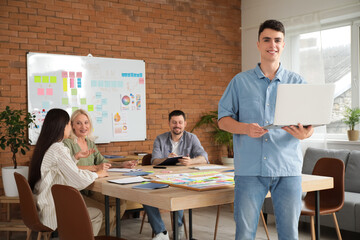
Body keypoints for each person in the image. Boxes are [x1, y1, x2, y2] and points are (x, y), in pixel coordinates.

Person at [218, 20, 314, 240]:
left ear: (283, 44)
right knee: (244, 234)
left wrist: (304, 134)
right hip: (250, 170)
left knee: (289, 234)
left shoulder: (298, 82)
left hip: (287, 169)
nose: (273, 44)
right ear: (258, 44)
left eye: (278, 40)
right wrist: (244, 128)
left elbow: (309, 127)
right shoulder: (239, 82)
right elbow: (222, 120)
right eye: (267, 39)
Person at [28, 108, 109, 236]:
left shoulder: (48, 146)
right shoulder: (58, 148)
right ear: (62, 126)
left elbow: (57, 169)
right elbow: (77, 179)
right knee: (99, 213)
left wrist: (75, 158)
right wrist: (97, 174)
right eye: (69, 124)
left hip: (44, 202)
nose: (70, 128)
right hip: (53, 209)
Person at [63, 109, 137, 235]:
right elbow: (69, 168)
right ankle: (93, 236)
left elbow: (103, 162)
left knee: (121, 203)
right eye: (79, 123)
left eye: (86, 122)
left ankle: (102, 234)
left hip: (92, 188)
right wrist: (95, 167)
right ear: (72, 125)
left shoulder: (90, 143)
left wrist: (122, 165)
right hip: (78, 190)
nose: (83, 126)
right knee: (108, 213)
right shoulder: (68, 143)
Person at [145, 110, 209, 240]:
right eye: (174, 122)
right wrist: (167, 158)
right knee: (145, 195)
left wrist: (191, 161)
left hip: (183, 179)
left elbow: (205, 158)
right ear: (169, 123)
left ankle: (178, 228)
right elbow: (154, 160)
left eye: (180, 122)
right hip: (161, 178)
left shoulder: (192, 138)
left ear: (185, 124)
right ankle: (161, 233)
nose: (177, 125)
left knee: (178, 192)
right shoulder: (160, 138)